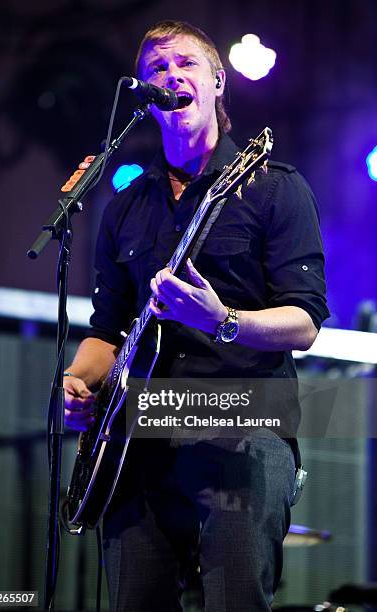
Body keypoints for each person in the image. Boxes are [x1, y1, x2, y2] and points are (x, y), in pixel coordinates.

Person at [64, 20, 329, 612]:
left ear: (217, 82)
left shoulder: (272, 189)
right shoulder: (126, 206)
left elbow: (306, 322)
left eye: (184, 64)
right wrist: (80, 380)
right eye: (157, 69)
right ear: (146, 94)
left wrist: (223, 320)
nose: (170, 76)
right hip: (138, 442)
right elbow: (108, 330)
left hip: (243, 431)